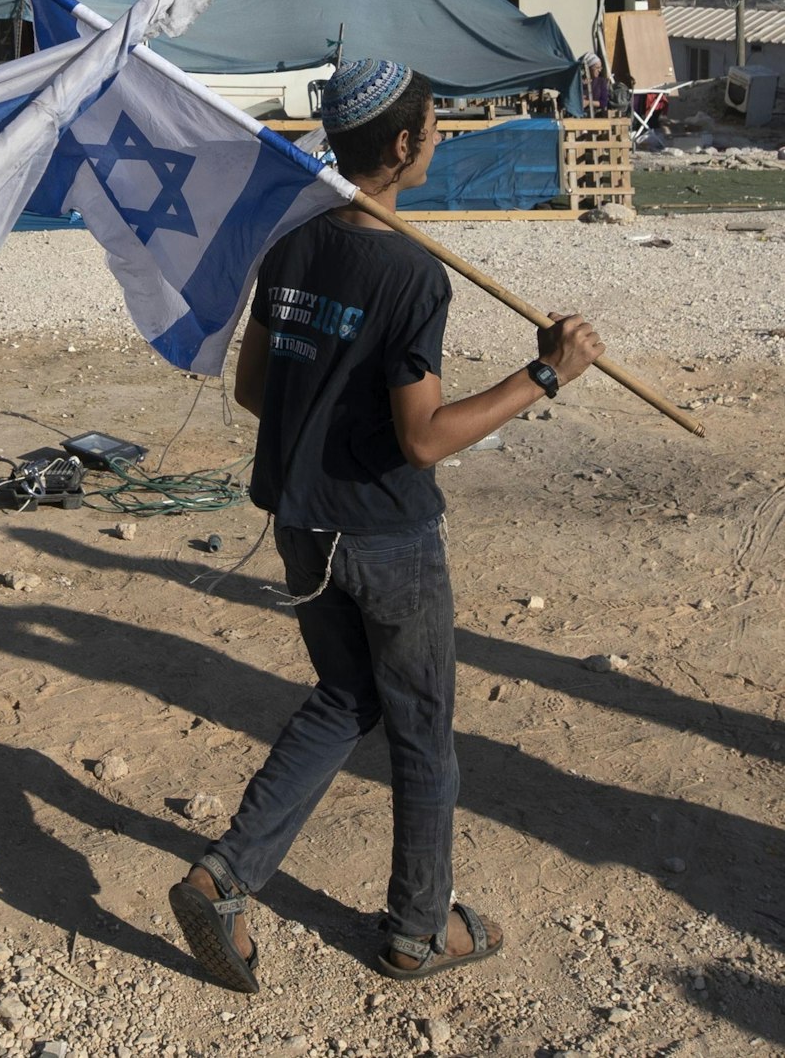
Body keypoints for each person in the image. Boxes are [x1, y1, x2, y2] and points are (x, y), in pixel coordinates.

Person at [165, 59, 606, 991]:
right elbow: (422, 439)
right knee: (422, 726)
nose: (438, 139)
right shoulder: (412, 274)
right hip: (385, 539)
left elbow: (254, 388)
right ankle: (416, 929)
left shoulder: (294, 246)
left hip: (300, 523)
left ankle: (224, 876)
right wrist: (547, 376)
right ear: (403, 146)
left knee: (346, 696)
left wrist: (324, 428)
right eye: (435, 127)